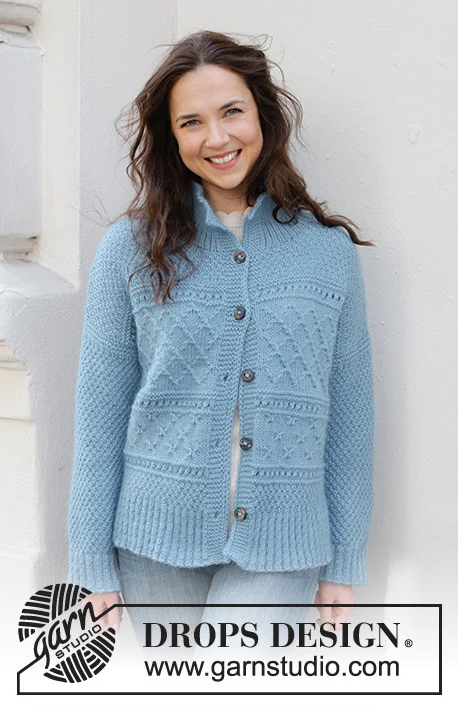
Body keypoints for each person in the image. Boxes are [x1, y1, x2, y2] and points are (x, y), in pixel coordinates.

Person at [67, 30, 375, 662]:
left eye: (231, 111)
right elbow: (99, 415)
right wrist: (90, 566)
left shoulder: (328, 252)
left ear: (262, 114)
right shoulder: (129, 250)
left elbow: (350, 414)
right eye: (191, 122)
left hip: (284, 539)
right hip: (153, 539)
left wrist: (346, 558)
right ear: (172, 137)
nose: (216, 137)